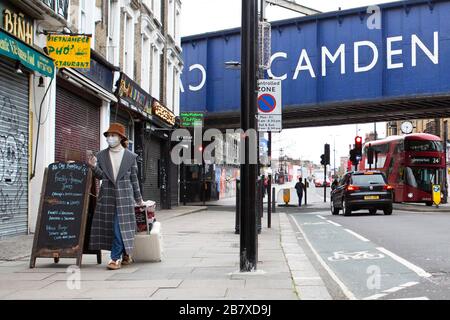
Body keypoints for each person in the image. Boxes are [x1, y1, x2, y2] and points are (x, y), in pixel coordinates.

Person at [87, 123, 144, 270]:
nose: (110, 138)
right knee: (112, 228)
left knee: (119, 226)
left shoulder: (130, 157)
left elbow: (134, 180)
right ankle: (126, 254)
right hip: (107, 197)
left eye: (113, 135)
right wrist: (93, 166)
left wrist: (139, 200)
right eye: (108, 135)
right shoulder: (101, 155)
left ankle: (115, 258)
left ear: (120, 137)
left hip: (125, 197)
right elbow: (101, 176)